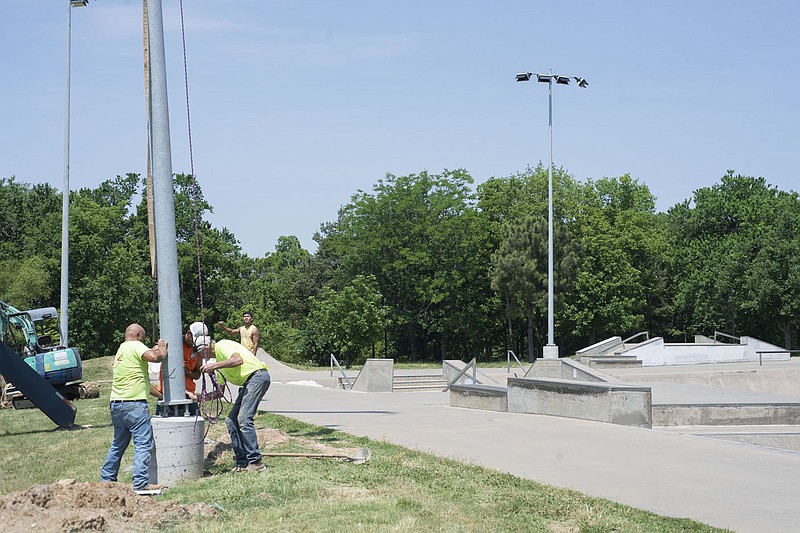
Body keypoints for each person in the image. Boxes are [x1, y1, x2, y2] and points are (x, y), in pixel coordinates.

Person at [100, 324, 167, 494]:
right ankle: (140, 484)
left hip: (117, 404)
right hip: (135, 405)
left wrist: (161, 396)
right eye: (143, 338)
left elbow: (141, 381)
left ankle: (106, 480)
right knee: (143, 445)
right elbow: (155, 358)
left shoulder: (122, 349)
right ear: (137, 335)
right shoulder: (136, 345)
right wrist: (161, 349)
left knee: (118, 445)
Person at [196, 335, 270, 472]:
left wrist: (214, 365)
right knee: (231, 420)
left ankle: (256, 461)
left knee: (243, 418)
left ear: (205, 348)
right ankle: (242, 462)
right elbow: (219, 393)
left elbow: (238, 360)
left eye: (199, 352)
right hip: (249, 382)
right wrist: (198, 398)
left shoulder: (222, 345)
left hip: (257, 376)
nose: (200, 356)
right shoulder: (219, 363)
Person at [151, 326, 201, 402]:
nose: (194, 343)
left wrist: (187, 372)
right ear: (188, 333)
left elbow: (197, 375)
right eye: (194, 340)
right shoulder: (174, 341)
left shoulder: (197, 350)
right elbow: (154, 351)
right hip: (166, 392)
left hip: (188, 394)